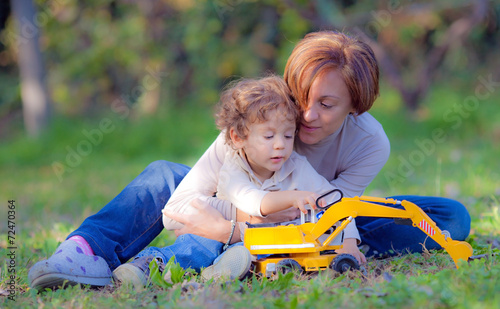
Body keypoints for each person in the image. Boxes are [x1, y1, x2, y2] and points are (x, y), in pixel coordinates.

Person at [28, 31, 471, 291]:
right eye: (302, 97)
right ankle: (84, 251)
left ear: (356, 106)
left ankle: (265, 252)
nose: (307, 115)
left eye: (328, 105)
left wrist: (337, 238)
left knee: (450, 216)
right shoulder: (264, 113)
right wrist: (233, 227)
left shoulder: (370, 141)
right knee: (163, 175)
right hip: (232, 199)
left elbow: (337, 210)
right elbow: (197, 193)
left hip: (309, 213)